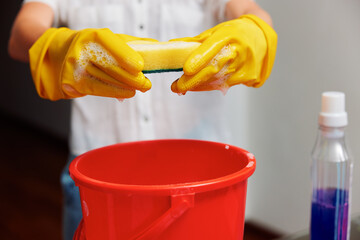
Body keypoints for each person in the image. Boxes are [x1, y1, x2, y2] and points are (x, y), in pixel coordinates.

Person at [8, 0, 277, 239]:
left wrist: (253, 28)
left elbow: (247, 8)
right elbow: (21, 33)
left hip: (199, 178)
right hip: (96, 180)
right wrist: (60, 45)